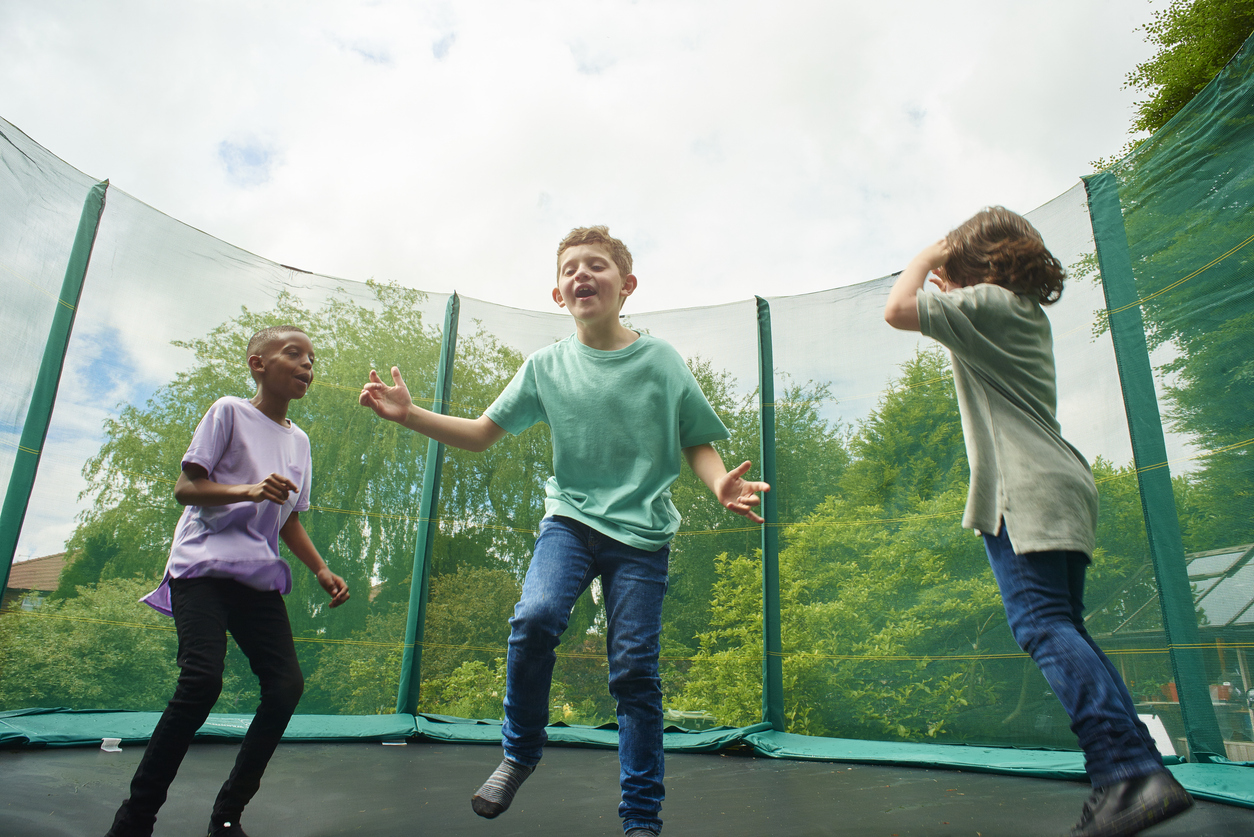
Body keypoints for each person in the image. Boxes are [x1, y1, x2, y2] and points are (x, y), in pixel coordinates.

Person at [359, 225, 769, 837]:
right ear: (557, 294)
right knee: (535, 618)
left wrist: (720, 486)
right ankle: (519, 753)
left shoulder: (660, 361)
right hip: (570, 521)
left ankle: (641, 817)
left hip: (643, 537)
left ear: (626, 286)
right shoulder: (546, 366)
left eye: (597, 265)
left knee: (633, 671)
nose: (583, 274)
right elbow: (479, 434)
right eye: (571, 268)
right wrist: (409, 413)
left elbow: (696, 441)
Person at [883, 207, 1193, 837]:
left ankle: (1130, 774)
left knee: (1042, 626)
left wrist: (928, 254)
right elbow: (949, 322)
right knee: (1064, 626)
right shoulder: (1017, 311)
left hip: (1025, 490)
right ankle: (1132, 771)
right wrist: (954, 281)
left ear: (974, 264)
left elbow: (896, 309)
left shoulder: (989, 306)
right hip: (1061, 486)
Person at [104, 325, 350, 837]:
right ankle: (135, 820)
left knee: (285, 688)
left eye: (312, 359)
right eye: (293, 354)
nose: (307, 365)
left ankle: (227, 816)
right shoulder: (229, 412)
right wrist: (250, 489)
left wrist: (321, 569)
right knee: (202, 681)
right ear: (258, 364)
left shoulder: (299, 442)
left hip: (256, 574)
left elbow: (290, 518)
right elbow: (186, 489)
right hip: (202, 566)